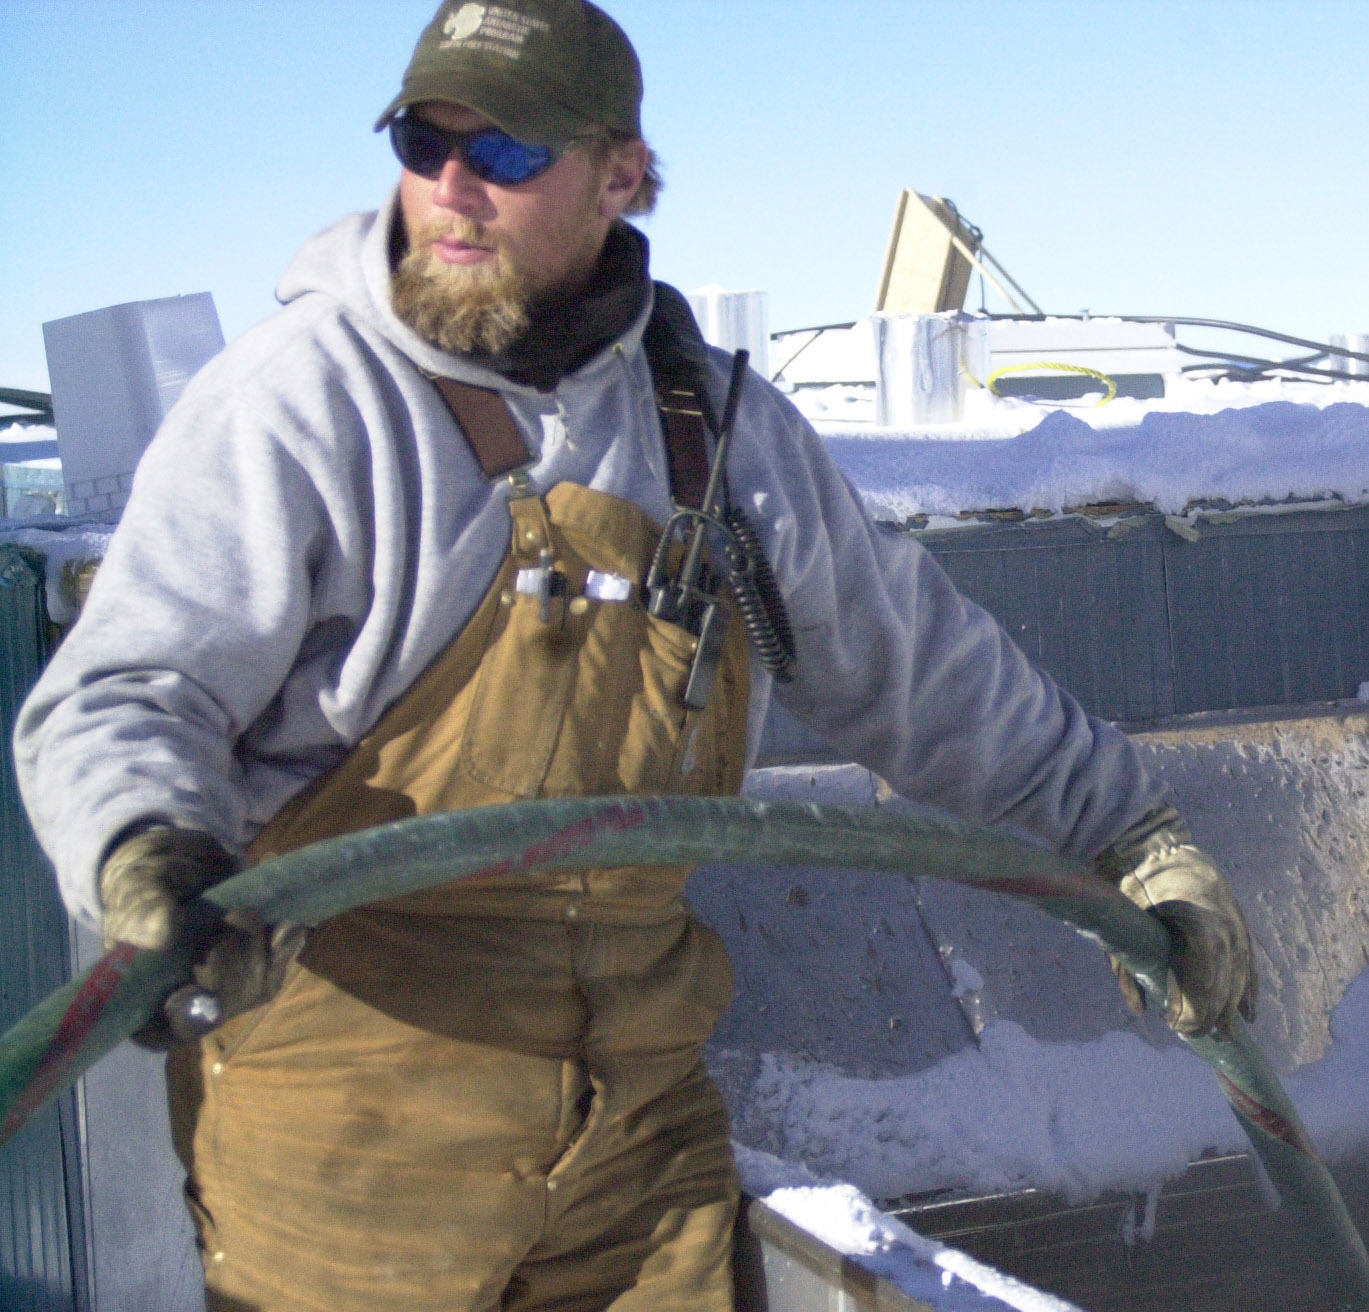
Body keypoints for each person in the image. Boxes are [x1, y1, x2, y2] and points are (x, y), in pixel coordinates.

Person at [13, 2, 1255, 1308]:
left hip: (636, 1151)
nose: (449, 185)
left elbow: (925, 675)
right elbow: (127, 694)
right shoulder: (298, 407)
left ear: (618, 176)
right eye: (422, 139)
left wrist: (1129, 839)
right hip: (351, 1150)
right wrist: (147, 853)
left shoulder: (712, 437)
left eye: (501, 153)